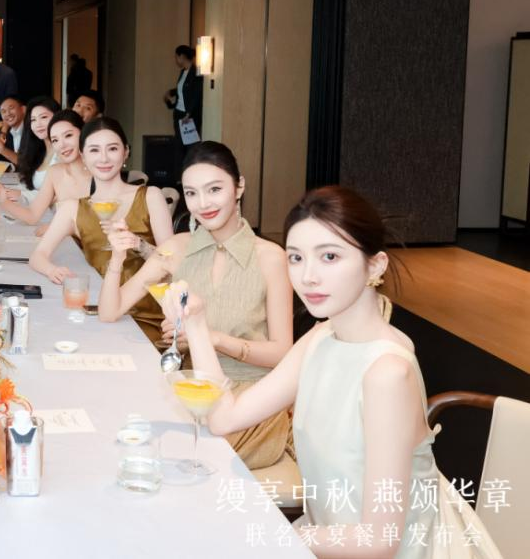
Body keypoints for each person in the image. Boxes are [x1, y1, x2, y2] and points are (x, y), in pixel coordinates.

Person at [168, 186, 500, 557]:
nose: (308, 276)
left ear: (375, 265)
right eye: (296, 258)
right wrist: (196, 323)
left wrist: (264, 534)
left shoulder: (387, 372)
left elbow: (380, 542)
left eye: (329, 256)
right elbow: (224, 418)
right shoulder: (322, 337)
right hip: (328, 539)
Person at [99, 141, 294, 470]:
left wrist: (210, 337)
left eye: (214, 189)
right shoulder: (177, 248)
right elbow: (110, 311)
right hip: (189, 393)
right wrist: (117, 257)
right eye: (191, 193)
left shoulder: (270, 257)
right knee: (127, 438)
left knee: (174, 459)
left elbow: (282, 352)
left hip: (251, 404)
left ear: (239, 187)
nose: (203, 204)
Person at [29, 117, 173, 344]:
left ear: (125, 152)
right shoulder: (73, 208)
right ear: (83, 156)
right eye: (94, 150)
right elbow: (38, 256)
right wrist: (52, 270)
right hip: (97, 312)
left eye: (112, 149)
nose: (104, 158)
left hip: (147, 316)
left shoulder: (150, 196)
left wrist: (138, 244)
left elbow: (172, 264)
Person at [0, 109, 91, 226]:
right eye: (55, 140)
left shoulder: (99, 170)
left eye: (68, 135)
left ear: (83, 133)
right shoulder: (55, 172)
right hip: (61, 235)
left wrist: (55, 228)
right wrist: (3, 200)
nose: (62, 145)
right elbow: (32, 215)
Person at [164, 44, 203, 178]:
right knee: (179, 147)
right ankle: (178, 178)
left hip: (189, 116)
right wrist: (171, 93)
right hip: (179, 114)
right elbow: (182, 90)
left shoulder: (196, 72)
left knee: (191, 147)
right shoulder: (183, 72)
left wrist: (189, 113)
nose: (175, 60)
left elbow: (197, 95)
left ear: (182, 56)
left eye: (176, 57)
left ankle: (190, 176)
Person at [14, 97, 60, 202]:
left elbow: (58, 196)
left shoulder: (62, 153)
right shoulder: (38, 152)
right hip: (35, 209)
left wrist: (23, 195)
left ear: (57, 117)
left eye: (43, 117)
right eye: (33, 120)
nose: (38, 124)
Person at [0, 94, 25, 165]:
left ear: (23, 109)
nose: (8, 114)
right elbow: (4, 159)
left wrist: (3, 150)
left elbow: (27, 163)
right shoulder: (9, 132)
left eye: (11, 108)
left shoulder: (32, 131)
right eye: (3, 111)